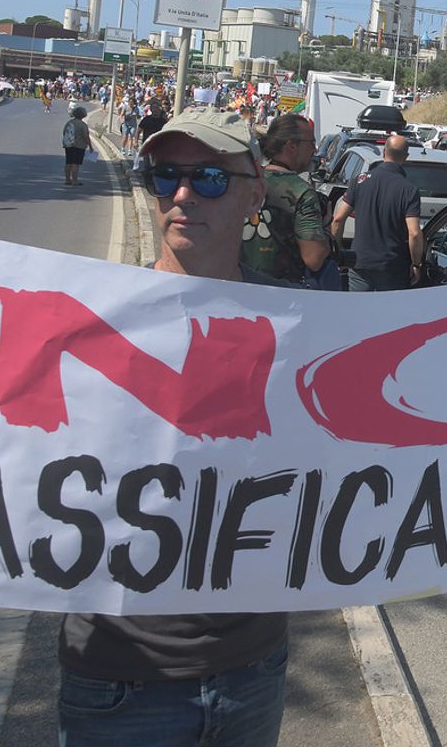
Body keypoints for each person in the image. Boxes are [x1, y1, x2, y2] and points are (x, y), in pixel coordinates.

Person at [58, 106, 287, 745]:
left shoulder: (300, 328)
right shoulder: (91, 319)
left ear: (254, 194)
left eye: (209, 176)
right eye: (165, 176)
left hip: (252, 670)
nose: (182, 194)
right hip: (118, 676)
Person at [241, 114, 335, 287]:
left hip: (236, 288)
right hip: (280, 296)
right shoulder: (302, 192)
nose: (314, 150)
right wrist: (327, 227)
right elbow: (314, 258)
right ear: (291, 145)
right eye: (310, 143)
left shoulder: (246, 181)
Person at [330, 134, 422, 291]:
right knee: (387, 313)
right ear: (405, 157)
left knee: (358, 311)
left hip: (359, 261)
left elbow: (338, 219)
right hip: (392, 266)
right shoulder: (409, 190)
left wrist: (339, 252)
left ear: (384, 152)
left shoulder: (360, 180)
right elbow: (414, 233)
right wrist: (415, 264)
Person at [61, 105, 92, 187]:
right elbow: (86, 136)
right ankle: (75, 180)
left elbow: (64, 132)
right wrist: (90, 145)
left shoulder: (69, 123)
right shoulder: (82, 125)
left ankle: (67, 179)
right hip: (78, 146)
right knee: (75, 163)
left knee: (68, 162)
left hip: (68, 145)